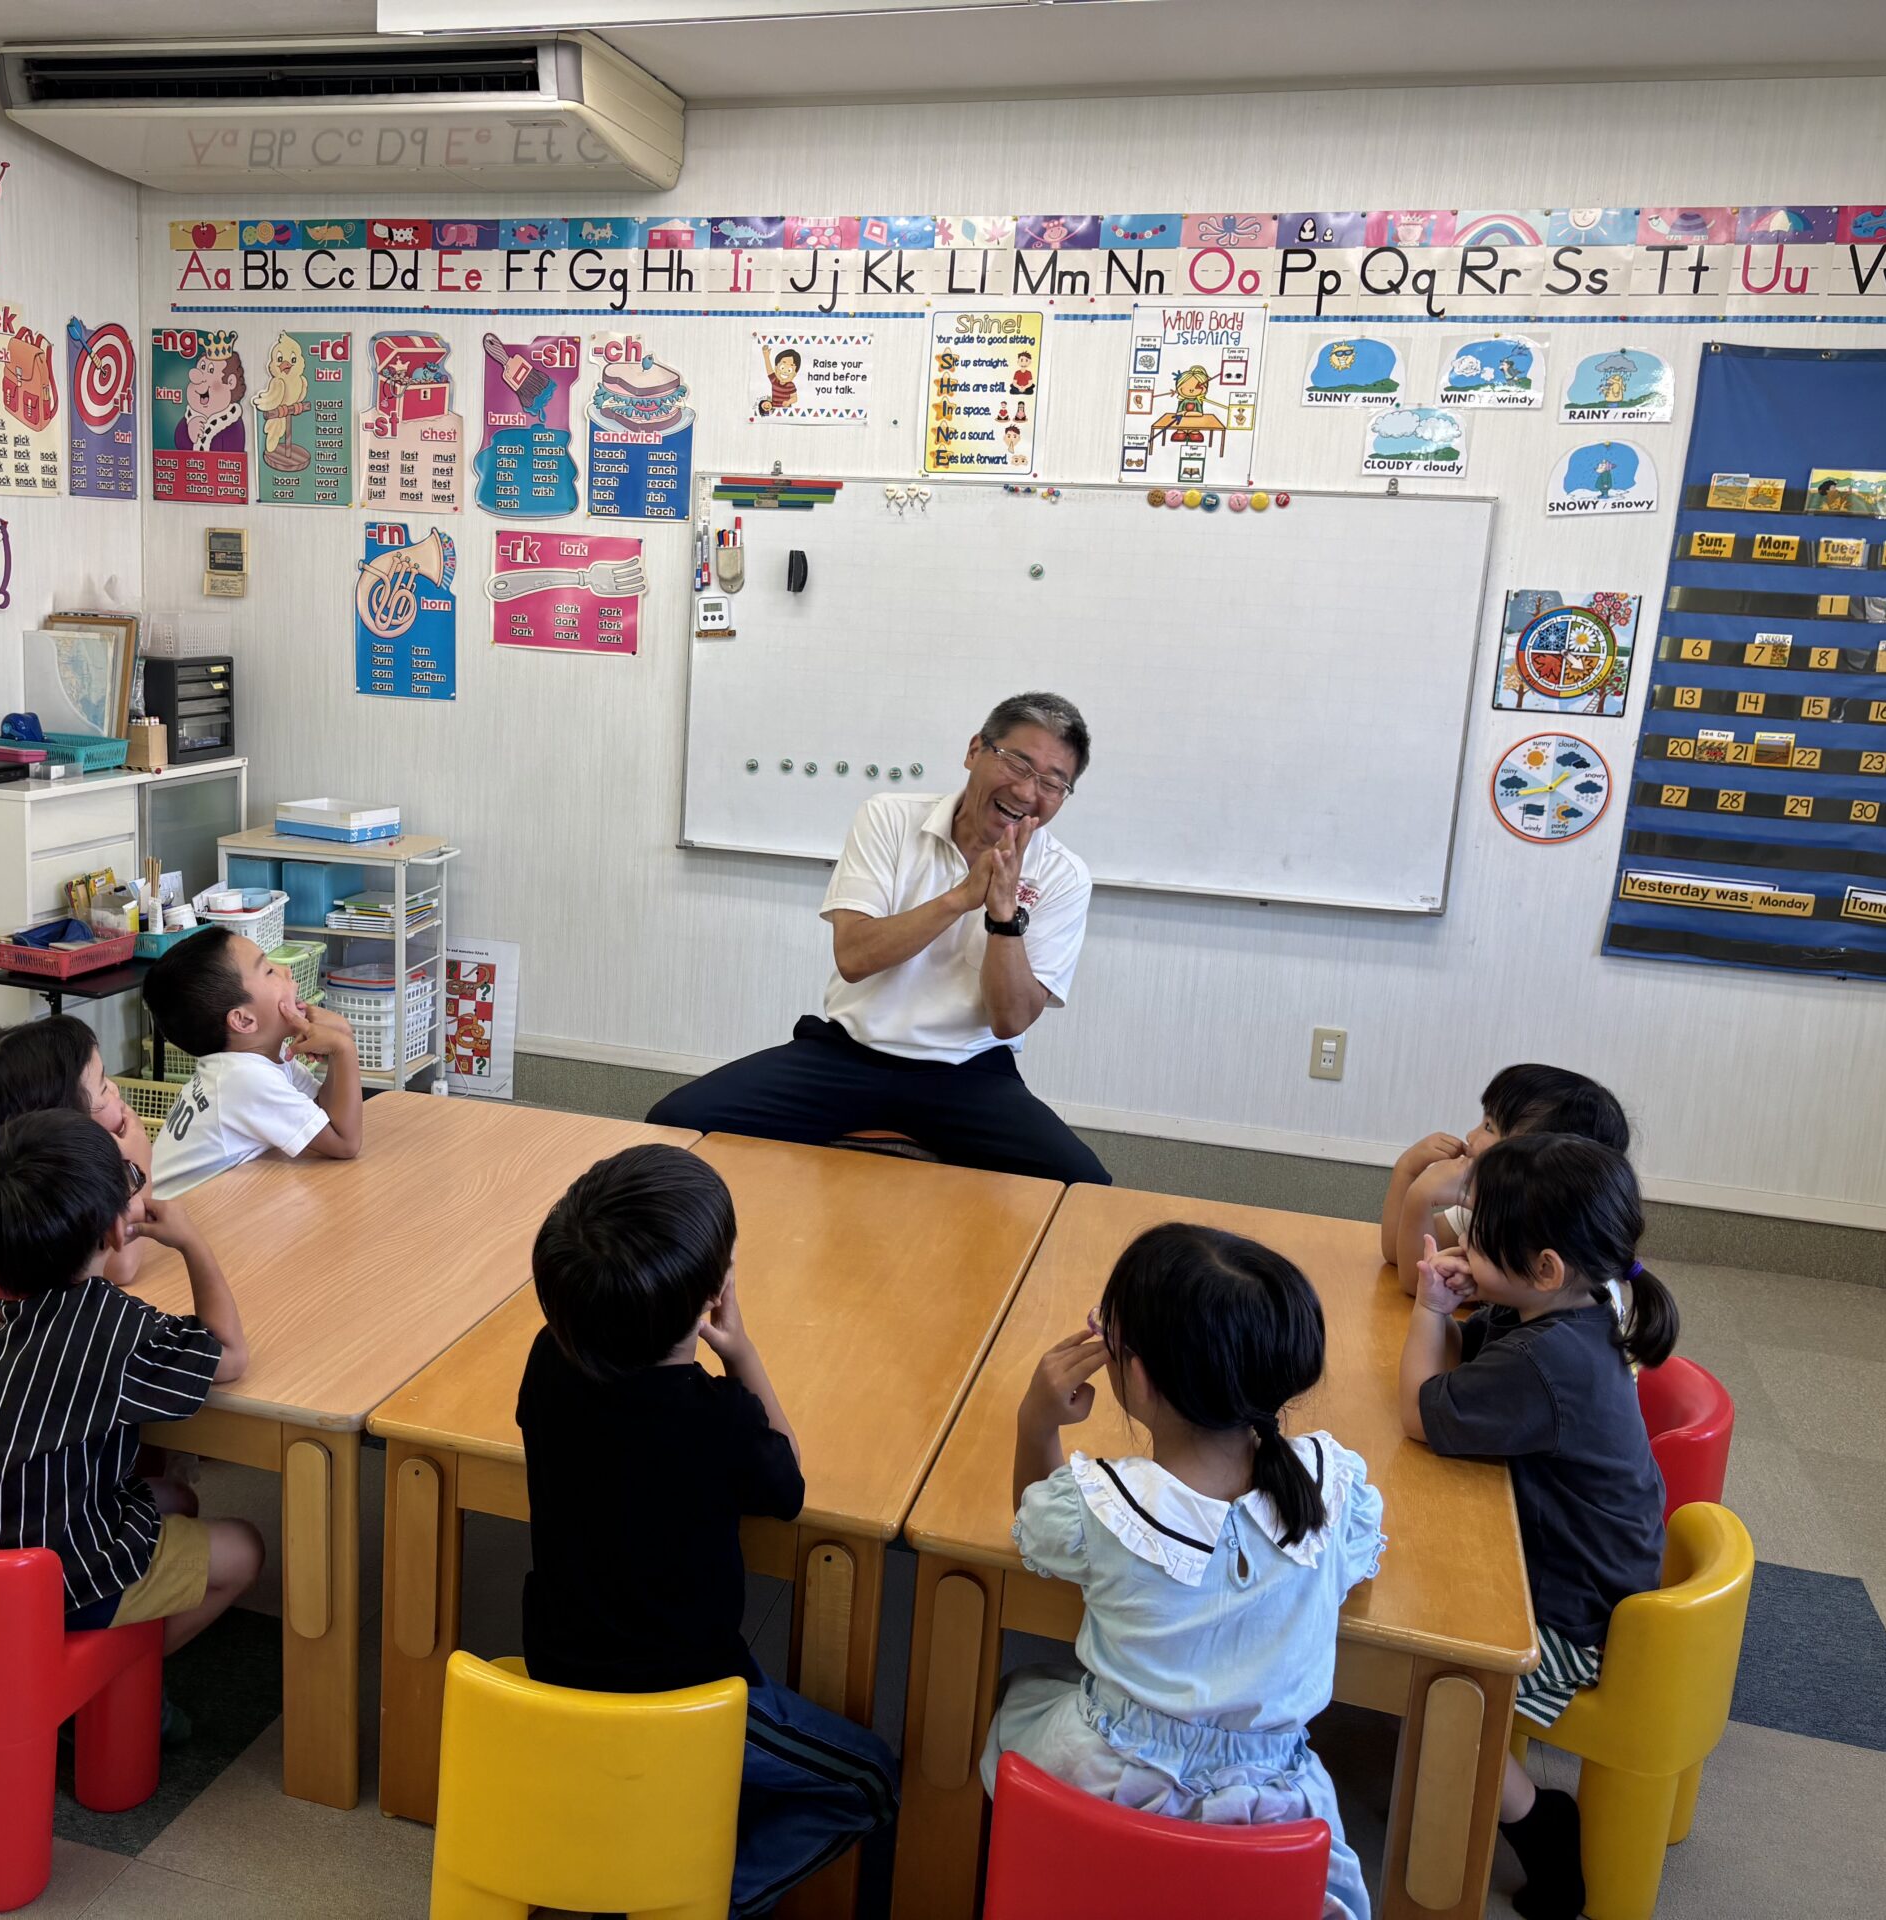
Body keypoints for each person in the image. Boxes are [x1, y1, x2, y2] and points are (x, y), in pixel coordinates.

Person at [517, 1145, 898, 1916]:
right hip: (689, 1702)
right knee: (871, 1779)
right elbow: (787, 1483)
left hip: (556, 1675)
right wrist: (741, 1349)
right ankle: (693, 1900)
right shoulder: (715, 1418)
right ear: (710, 1296)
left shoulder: (546, 1363)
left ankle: (659, 1862)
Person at [984, 1223, 1386, 1920]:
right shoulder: (1333, 1486)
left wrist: (1035, 1423)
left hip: (1110, 1788)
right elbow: (1348, 1565)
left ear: (1136, 1377)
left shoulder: (1104, 1504)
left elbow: (1034, 1531)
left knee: (1016, 1692)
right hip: (1272, 1815)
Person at [649, 693, 1109, 1186]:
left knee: (1083, 1184)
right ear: (975, 750)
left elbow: (1010, 1020)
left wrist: (1001, 915)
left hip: (967, 1073)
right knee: (675, 1123)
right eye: (1017, 762)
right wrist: (960, 898)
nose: (1026, 790)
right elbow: (854, 957)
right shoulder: (889, 818)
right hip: (848, 1055)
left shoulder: (1062, 874)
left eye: (1052, 782)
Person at [1398, 1133, 1679, 1920]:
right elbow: (1471, 1364)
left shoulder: (1547, 1360)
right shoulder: (1574, 1315)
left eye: (1480, 1239)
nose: (1464, 1244)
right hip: (1592, 1579)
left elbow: (1417, 1412)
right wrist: (1467, 1302)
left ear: (1546, 1269)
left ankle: (1534, 1817)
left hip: (1567, 1620)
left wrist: (1429, 1309)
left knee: (1438, 1687)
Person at [0, 1110, 265, 1699]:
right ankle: (107, 1682)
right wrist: (192, 1241)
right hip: (55, 1583)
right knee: (245, 1548)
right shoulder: (108, 1326)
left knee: (177, 1499)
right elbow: (229, 1355)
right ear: (115, 1232)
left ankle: (99, 1656)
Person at [0, 1015, 152, 1312]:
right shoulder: (46, 1191)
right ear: (65, 1122)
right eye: (103, 1086)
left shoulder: (18, 1173)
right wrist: (140, 1160)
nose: (116, 1091)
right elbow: (122, 1268)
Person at [141, 926, 364, 1200]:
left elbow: (324, 1113)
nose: (286, 971)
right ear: (244, 1020)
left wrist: (340, 1038)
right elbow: (345, 1142)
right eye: (269, 971)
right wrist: (344, 1048)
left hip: (206, 1207)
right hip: (173, 1221)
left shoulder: (254, 1061)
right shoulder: (245, 1079)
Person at [1381, 1064, 1630, 1281]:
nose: (1471, 1135)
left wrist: (1420, 1197)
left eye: (1489, 1127)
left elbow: (1419, 1280)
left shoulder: (1534, 1236)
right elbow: (1398, 1255)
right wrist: (1407, 1170)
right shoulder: (1488, 1206)